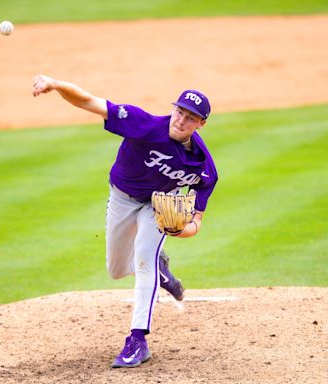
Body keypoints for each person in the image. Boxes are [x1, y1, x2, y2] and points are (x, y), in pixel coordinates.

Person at [32, 74, 218, 368]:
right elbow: (90, 101)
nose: (181, 120)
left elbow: (196, 223)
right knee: (117, 270)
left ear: (201, 124)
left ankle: (137, 340)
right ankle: (161, 270)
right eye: (179, 112)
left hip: (157, 205)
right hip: (121, 198)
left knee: (143, 257)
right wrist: (56, 85)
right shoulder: (142, 123)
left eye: (190, 117)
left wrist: (179, 229)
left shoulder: (204, 169)